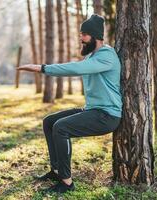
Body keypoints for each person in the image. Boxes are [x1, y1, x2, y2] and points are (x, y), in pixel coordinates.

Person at [18, 14, 122, 194]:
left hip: (107, 115)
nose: (81, 38)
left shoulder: (107, 56)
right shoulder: (92, 57)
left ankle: (66, 182)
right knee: (49, 121)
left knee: (61, 127)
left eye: (84, 34)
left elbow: (76, 68)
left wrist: (42, 68)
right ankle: (57, 171)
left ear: (95, 36)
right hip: (93, 110)